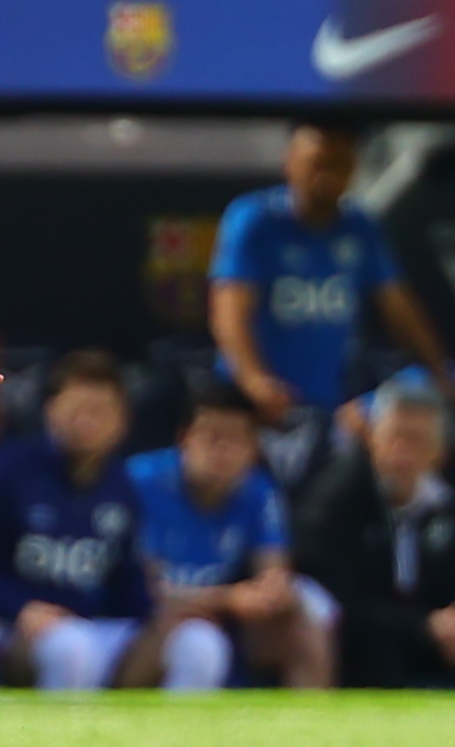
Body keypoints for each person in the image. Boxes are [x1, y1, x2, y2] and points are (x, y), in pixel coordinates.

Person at [0, 350, 224, 690]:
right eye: (77, 410)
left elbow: (126, 583)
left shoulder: (121, 486)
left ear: (122, 422)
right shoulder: (1, 472)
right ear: (50, 411)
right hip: (7, 628)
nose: (88, 421)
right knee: (71, 647)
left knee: (199, 642)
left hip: (95, 628)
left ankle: (171, 743)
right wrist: (20, 608)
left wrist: (164, 613)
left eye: (100, 411)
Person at [210, 122, 452, 469]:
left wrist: (438, 372)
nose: (326, 178)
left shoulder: (360, 227)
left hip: (324, 409)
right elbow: (229, 311)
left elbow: (399, 308)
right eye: (317, 165)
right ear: (290, 163)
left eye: (338, 166)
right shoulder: (254, 220)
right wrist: (254, 380)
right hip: (250, 409)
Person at [128, 375, 333, 688]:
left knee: (304, 608)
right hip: (138, 621)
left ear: (253, 448)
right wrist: (228, 599)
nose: (222, 450)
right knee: (191, 633)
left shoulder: (259, 490)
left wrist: (271, 593)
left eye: (236, 439)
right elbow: (145, 590)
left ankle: (305, 724)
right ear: (184, 438)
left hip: (217, 618)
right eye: (212, 437)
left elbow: (273, 572)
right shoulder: (141, 482)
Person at [294, 376, 455, 685]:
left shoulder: (446, 506)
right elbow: (336, 595)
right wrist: (423, 625)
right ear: (372, 439)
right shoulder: (337, 498)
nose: (402, 452)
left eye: (417, 440)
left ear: (439, 453)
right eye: (395, 437)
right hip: (360, 648)